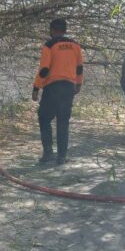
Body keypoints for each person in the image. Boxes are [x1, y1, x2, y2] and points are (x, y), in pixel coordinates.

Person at [32, 18, 84, 165]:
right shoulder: (75, 46)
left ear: (52, 30)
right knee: (63, 121)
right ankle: (62, 156)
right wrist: (79, 83)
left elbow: (44, 70)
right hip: (68, 87)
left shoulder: (49, 46)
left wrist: (36, 88)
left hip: (52, 87)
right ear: (65, 30)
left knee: (44, 118)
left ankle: (48, 153)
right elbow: (79, 68)